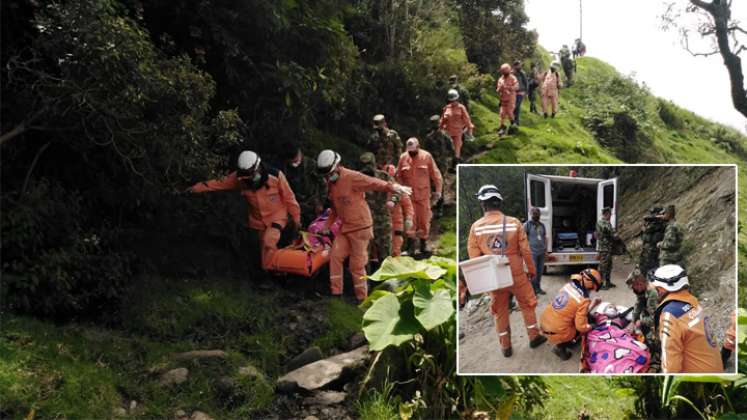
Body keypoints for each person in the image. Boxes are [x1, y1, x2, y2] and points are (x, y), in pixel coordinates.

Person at [316, 150, 412, 302]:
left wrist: (394, 187)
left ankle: (362, 299)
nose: (328, 177)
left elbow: (372, 182)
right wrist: (326, 225)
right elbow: (335, 209)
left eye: (330, 173)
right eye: (326, 175)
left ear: (338, 166)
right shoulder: (331, 184)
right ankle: (336, 294)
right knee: (335, 256)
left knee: (357, 264)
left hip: (361, 227)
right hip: (346, 228)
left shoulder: (351, 177)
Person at [467, 184, 548, 357]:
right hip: (517, 274)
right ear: (500, 203)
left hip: (494, 277)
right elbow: (526, 251)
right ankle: (534, 338)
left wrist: (482, 280)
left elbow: (474, 258)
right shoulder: (514, 223)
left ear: (483, 204)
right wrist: (532, 270)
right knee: (527, 305)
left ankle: (506, 347)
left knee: (500, 311)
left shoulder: (476, 227)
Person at [189, 150, 301, 271]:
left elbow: (290, 198)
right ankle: (268, 270)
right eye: (246, 175)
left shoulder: (276, 176)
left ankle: (271, 273)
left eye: (251, 174)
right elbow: (217, 183)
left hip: (277, 217)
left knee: (268, 241)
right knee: (258, 251)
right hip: (257, 222)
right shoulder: (238, 178)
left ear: (258, 168)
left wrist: (296, 219)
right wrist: (194, 189)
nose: (249, 179)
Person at [651, 264, 723, 373]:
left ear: (661, 289)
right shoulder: (693, 302)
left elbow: (670, 366)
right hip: (715, 369)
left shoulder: (670, 315)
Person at [540, 268, 603, 360]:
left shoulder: (568, 285)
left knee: (583, 317)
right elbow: (581, 326)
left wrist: (592, 304)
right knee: (583, 328)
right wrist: (591, 327)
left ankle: (561, 339)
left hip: (544, 324)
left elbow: (572, 309)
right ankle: (561, 347)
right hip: (556, 331)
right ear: (591, 286)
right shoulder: (584, 300)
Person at [396, 138, 443, 256]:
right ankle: (411, 247)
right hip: (409, 196)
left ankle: (423, 245)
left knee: (424, 220)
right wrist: (400, 190)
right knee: (410, 221)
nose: (411, 154)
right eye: (409, 152)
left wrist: (438, 191)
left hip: (423, 195)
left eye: (413, 151)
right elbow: (399, 176)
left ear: (418, 147)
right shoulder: (403, 158)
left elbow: (436, 174)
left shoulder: (426, 156)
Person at [359, 152, 398, 268]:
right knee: (364, 256)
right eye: (364, 165)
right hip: (364, 222)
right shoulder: (356, 178)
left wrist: (393, 201)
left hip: (382, 221)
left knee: (385, 255)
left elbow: (398, 191)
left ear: (374, 164)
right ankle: (367, 284)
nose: (367, 168)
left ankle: (387, 282)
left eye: (369, 164)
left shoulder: (384, 176)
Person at [280, 143, 326, 226]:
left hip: (313, 206)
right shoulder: (284, 169)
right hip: (295, 206)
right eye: (292, 161)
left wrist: (320, 203)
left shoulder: (311, 164)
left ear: (300, 152)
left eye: (296, 159)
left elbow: (323, 184)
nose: (295, 162)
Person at [626, 267, 660, 370]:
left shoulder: (652, 293)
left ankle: (657, 359)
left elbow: (655, 319)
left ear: (639, 284)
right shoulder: (642, 291)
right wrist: (633, 321)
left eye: (633, 287)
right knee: (641, 328)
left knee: (651, 338)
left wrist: (640, 322)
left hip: (661, 320)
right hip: (651, 316)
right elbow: (638, 305)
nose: (633, 290)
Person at [384, 164, 414, 257]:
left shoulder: (399, 189)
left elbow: (408, 205)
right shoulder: (377, 188)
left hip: (396, 222)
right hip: (382, 222)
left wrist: (409, 218)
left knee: (396, 246)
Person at [439, 89, 474, 161]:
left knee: (457, 149)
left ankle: (456, 164)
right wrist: (439, 128)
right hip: (447, 133)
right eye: (452, 101)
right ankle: (448, 164)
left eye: (454, 100)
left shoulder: (461, 108)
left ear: (457, 99)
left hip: (458, 132)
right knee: (447, 149)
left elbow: (467, 119)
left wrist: (470, 129)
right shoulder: (446, 108)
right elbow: (442, 120)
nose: (453, 102)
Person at [523, 207, 547, 295]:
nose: (536, 215)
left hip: (541, 252)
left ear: (539, 215)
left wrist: (546, 250)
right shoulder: (527, 225)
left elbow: (544, 237)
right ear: (531, 214)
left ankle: (538, 288)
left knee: (540, 271)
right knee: (534, 271)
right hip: (532, 252)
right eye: (534, 214)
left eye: (537, 213)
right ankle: (533, 290)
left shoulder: (542, 225)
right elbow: (523, 239)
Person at [595, 207, 619, 289]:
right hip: (604, 248)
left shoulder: (607, 222)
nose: (611, 215)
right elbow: (608, 230)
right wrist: (614, 233)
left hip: (608, 248)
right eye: (609, 214)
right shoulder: (601, 222)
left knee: (609, 266)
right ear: (606, 214)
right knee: (603, 266)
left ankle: (608, 282)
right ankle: (600, 283)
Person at [639, 206, 665, 276]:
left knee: (653, 268)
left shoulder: (661, 223)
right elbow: (645, 218)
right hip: (646, 248)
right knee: (643, 266)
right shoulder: (650, 221)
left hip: (654, 249)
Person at [495, 63, 519, 136]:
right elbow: (497, 90)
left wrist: (510, 88)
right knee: (502, 113)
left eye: (505, 71)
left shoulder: (513, 78)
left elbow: (517, 86)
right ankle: (502, 127)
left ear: (509, 70)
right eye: (503, 71)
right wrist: (501, 88)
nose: (504, 72)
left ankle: (513, 124)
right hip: (503, 98)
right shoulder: (500, 79)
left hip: (511, 98)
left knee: (509, 112)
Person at [512, 60, 528, 126]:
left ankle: (516, 122)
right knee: (514, 107)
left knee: (517, 106)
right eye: (519, 65)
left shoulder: (522, 73)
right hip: (513, 92)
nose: (520, 66)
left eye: (520, 65)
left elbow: (526, 82)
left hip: (521, 92)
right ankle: (515, 122)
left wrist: (526, 92)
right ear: (515, 66)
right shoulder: (511, 73)